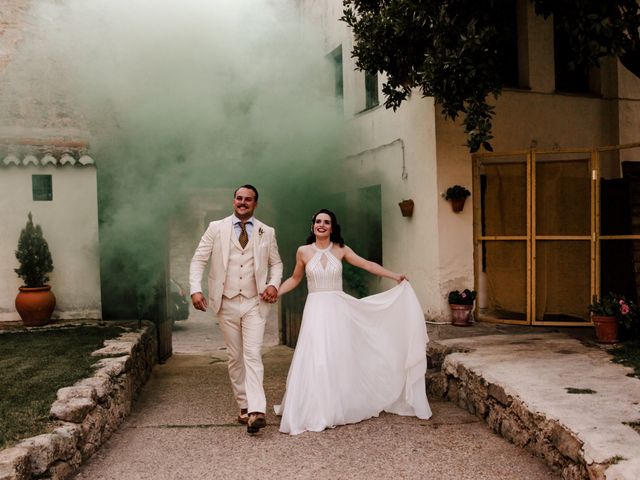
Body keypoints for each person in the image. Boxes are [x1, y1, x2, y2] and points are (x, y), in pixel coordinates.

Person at [274, 209, 432, 435]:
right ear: (312, 226)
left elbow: (367, 265)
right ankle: (314, 406)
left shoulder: (340, 250)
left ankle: (338, 403)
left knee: (336, 355)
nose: (321, 225)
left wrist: (394, 276)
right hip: (315, 309)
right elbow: (295, 278)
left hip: (337, 309)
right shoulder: (303, 251)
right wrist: (275, 293)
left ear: (332, 227)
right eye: (318, 221)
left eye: (326, 222)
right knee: (316, 356)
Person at [189, 184, 283, 434]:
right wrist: (195, 289)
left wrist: (273, 284)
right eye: (239, 198)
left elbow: (277, 263)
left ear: (255, 203)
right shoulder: (216, 228)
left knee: (252, 354)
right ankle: (243, 406)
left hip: (254, 301)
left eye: (248, 200)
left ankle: (256, 410)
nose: (243, 202)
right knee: (235, 356)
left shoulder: (267, 231)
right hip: (226, 301)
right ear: (233, 201)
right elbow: (199, 259)